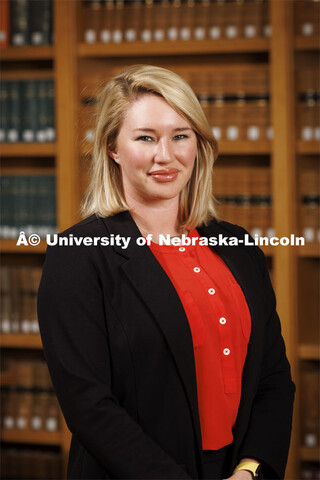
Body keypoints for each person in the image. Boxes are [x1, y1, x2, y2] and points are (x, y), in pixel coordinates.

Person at [37, 65, 295, 480]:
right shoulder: (79, 256)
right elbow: (90, 406)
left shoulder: (238, 246)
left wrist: (251, 472)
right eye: (145, 138)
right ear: (113, 148)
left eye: (180, 136)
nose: (166, 155)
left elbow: (273, 376)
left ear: (198, 144)